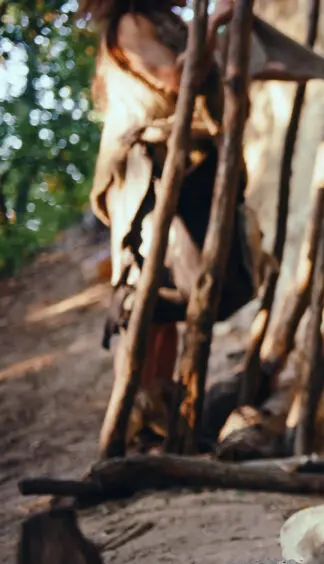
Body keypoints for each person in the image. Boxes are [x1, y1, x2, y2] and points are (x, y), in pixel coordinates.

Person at [81, 0, 266, 446]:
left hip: (181, 172)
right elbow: (178, 80)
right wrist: (217, 21)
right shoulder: (131, 23)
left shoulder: (169, 23)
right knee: (147, 293)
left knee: (168, 299)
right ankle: (139, 419)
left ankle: (161, 415)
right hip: (148, 176)